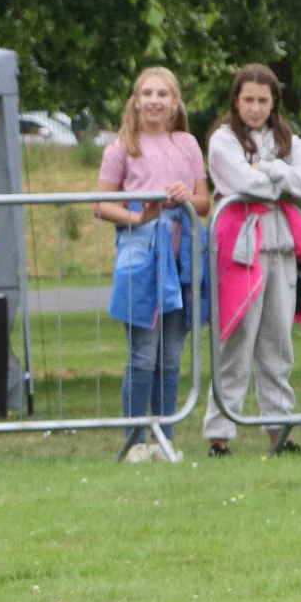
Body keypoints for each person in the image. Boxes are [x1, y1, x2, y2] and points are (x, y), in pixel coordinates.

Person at [203, 64, 301, 456]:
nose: (255, 108)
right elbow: (242, 182)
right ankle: (220, 434)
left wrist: (269, 169)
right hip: (240, 251)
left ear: (274, 103)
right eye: (248, 99)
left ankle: (279, 430)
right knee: (235, 341)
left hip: (281, 250)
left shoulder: (290, 141)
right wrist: (284, 182)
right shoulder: (223, 140)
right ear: (236, 101)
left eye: (263, 100)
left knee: (277, 345)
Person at [94, 67, 207, 462]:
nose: (155, 100)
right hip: (140, 259)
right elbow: (101, 204)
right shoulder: (121, 147)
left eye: (163, 94)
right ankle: (134, 440)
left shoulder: (187, 144)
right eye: (148, 93)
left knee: (171, 357)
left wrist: (186, 196)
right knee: (143, 355)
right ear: (136, 100)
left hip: (180, 260)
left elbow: (204, 202)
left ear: (175, 102)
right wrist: (139, 217)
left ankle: (164, 437)